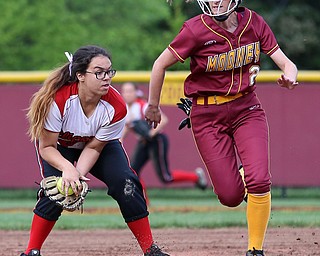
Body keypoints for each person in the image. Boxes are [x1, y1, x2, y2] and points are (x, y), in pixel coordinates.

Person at [145, 1, 298, 255]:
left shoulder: (254, 22)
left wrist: (290, 76)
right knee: (230, 197)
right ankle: (241, 174)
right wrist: (153, 106)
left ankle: (255, 250)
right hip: (206, 115)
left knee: (259, 180)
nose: (215, 1)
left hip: (247, 108)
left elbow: (287, 63)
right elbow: (159, 64)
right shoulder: (195, 29)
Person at [22, 45, 169, 256]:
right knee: (57, 190)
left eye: (109, 71)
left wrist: (78, 174)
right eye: (99, 72)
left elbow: (94, 147)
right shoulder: (58, 100)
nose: (106, 77)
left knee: (126, 183)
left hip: (98, 146)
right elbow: (46, 147)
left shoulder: (116, 106)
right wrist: (67, 171)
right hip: (59, 147)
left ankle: (150, 249)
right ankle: (31, 252)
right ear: (80, 75)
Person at [120, 82, 208, 195]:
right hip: (144, 141)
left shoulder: (143, 105)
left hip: (157, 140)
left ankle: (195, 177)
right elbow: (128, 126)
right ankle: (142, 203)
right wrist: (121, 139)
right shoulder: (126, 108)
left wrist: (151, 133)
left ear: (136, 93)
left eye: (129, 91)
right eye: (125, 91)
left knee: (166, 177)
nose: (126, 94)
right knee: (133, 171)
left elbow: (164, 120)